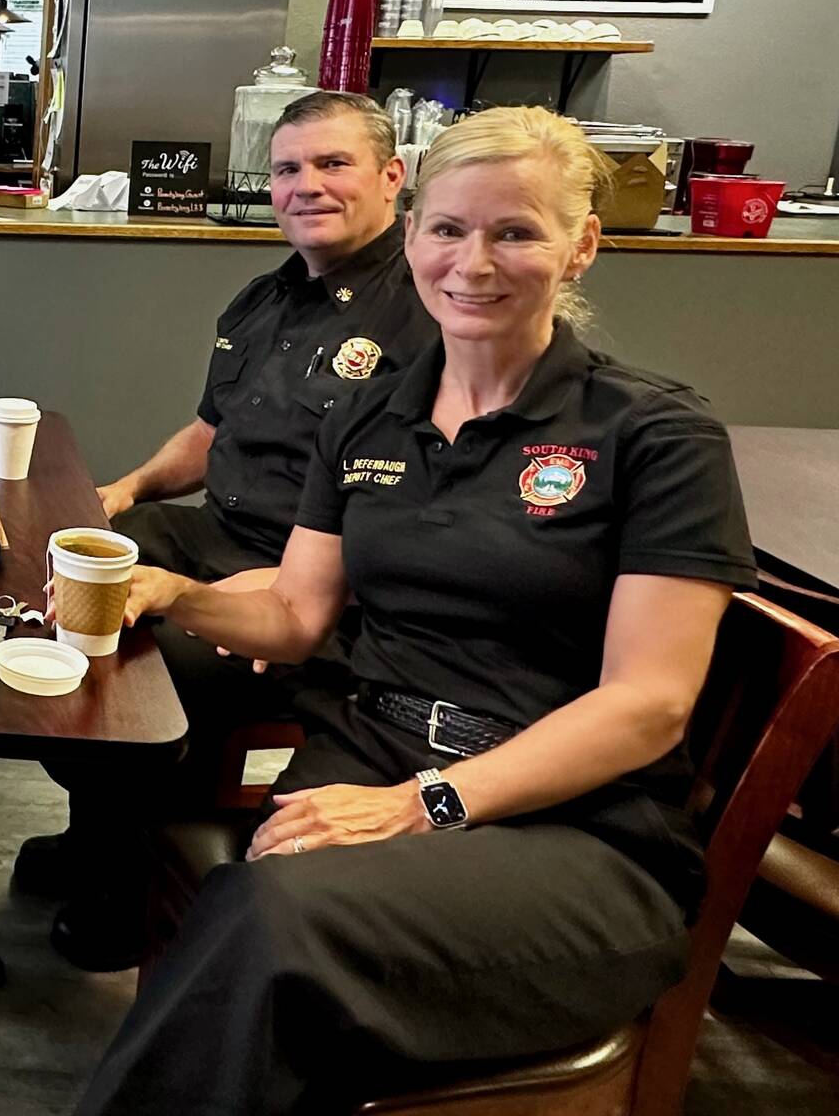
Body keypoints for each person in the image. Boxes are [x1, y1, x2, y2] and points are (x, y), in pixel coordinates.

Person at [74, 105, 755, 1115]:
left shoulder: (653, 434)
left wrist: (423, 803)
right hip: (366, 751)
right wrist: (173, 595)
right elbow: (297, 620)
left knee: (267, 927)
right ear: (412, 235)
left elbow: (647, 707)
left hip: (573, 833)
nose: (471, 262)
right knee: (256, 933)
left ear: (579, 248)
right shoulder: (368, 412)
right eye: (446, 230)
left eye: (514, 231)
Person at [25, 91, 439, 970]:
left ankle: (126, 890)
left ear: (393, 178)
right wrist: (126, 488)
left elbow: (425, 502)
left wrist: (294, 584)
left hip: (325, 586)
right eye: (289, 168)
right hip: (216, 533)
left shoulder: (427, 314)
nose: (306, 186)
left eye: (334, 165)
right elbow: (212, 436)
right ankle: (95, 828)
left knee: (139, 676)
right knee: (49, 587)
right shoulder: (267, 298)